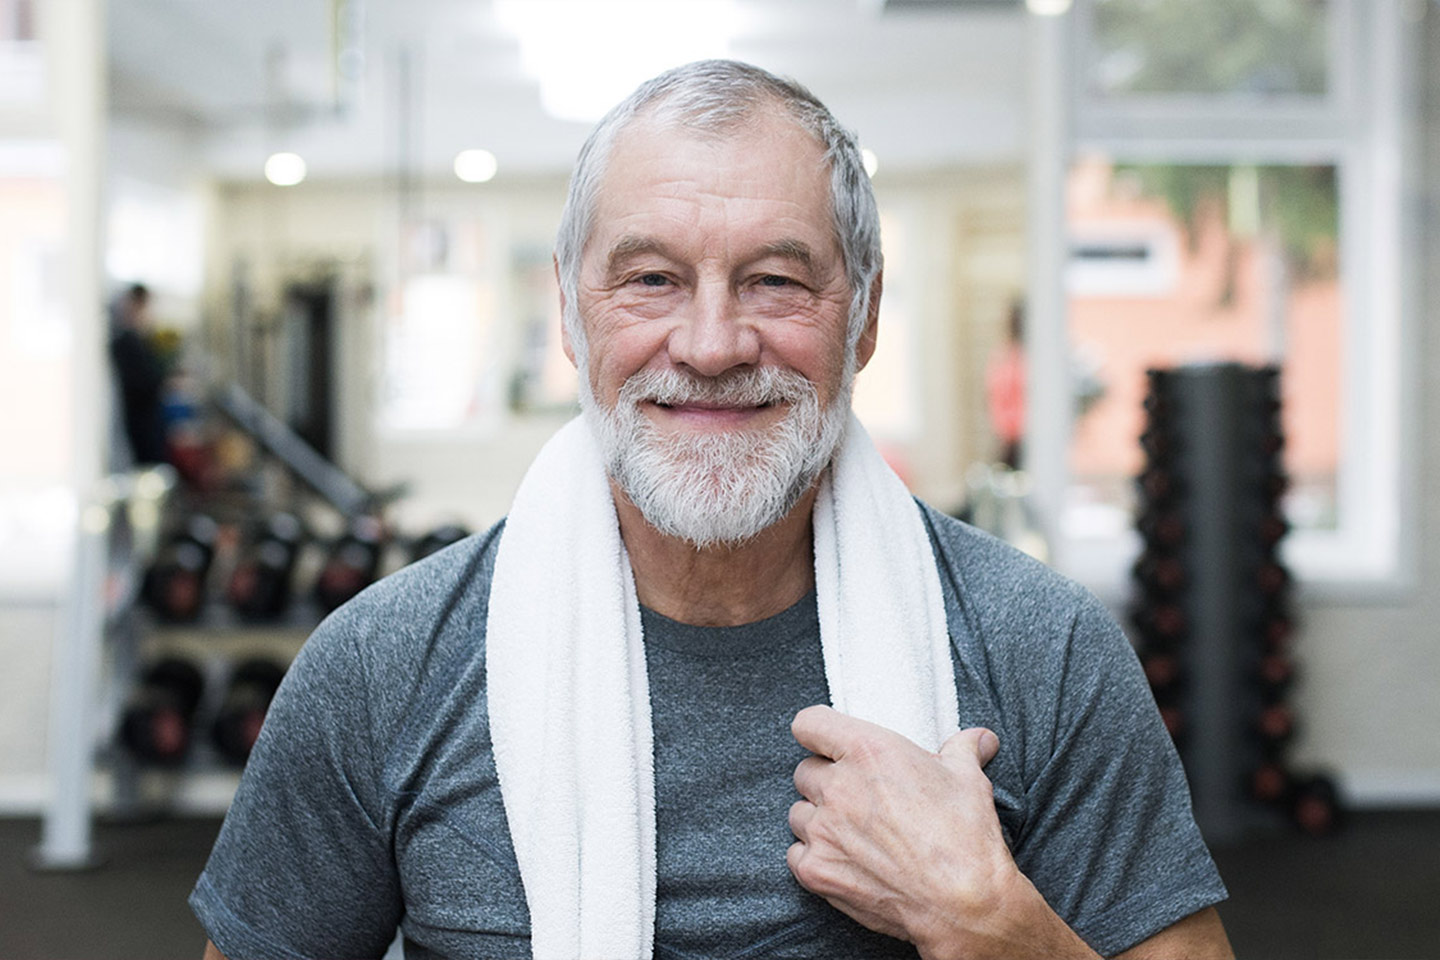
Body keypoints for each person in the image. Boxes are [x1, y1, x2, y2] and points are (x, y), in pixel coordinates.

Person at [191, 61, 1231, 960]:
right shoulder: (384, 667)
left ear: (863, 319)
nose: (712, 343)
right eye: (650, 279)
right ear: (568, 315)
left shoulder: (1038, 649)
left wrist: (990, 923)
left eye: (776, 281)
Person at [109, 282, 170, 466]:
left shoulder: (134, 338)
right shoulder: (125, 341)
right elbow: (142, 381)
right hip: (141, 419)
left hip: (146, 417)